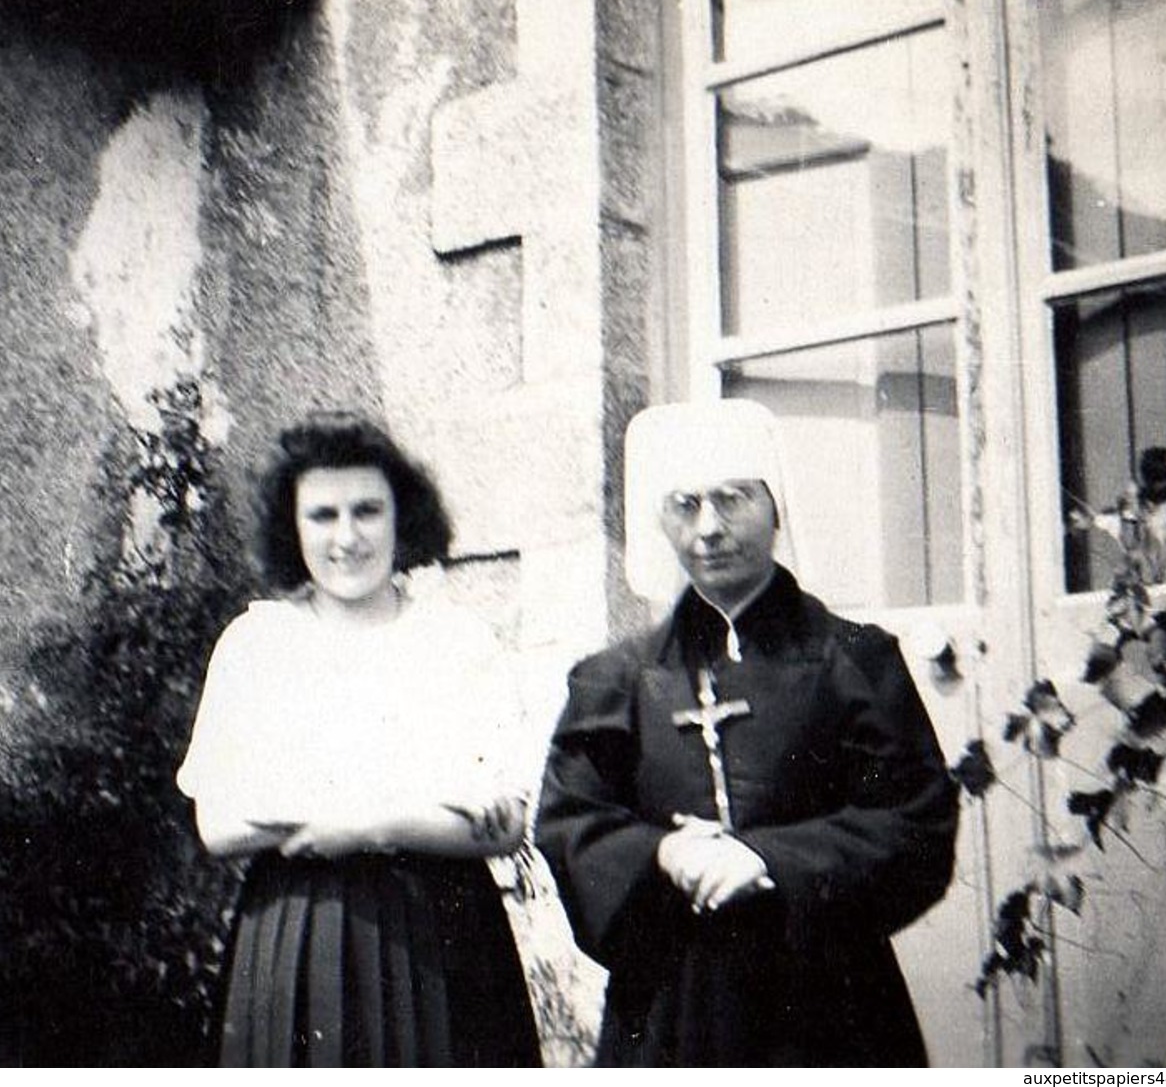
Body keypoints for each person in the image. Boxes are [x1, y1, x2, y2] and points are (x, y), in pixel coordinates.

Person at [535, 399, 958, 1066]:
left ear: (774, 503)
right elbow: (569, 824)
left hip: (827, 1000)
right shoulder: (613, 679)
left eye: (732, 498)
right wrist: (663, 853)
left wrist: (770, 859)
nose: (709, 527)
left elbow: (916, 818)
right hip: (673, 1007)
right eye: (685, 504)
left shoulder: (853, 659)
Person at [177, 412, 543, 1067]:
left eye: (367, 510)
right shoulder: (256, 645)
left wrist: (363, 821)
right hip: (297, 936)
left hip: (442, 935)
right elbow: (222, 822)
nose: (347, 537)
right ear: (291, 527)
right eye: (322, 514)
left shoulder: (458, 643)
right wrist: (430, 801)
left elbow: (503, 824)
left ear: (402, 517)